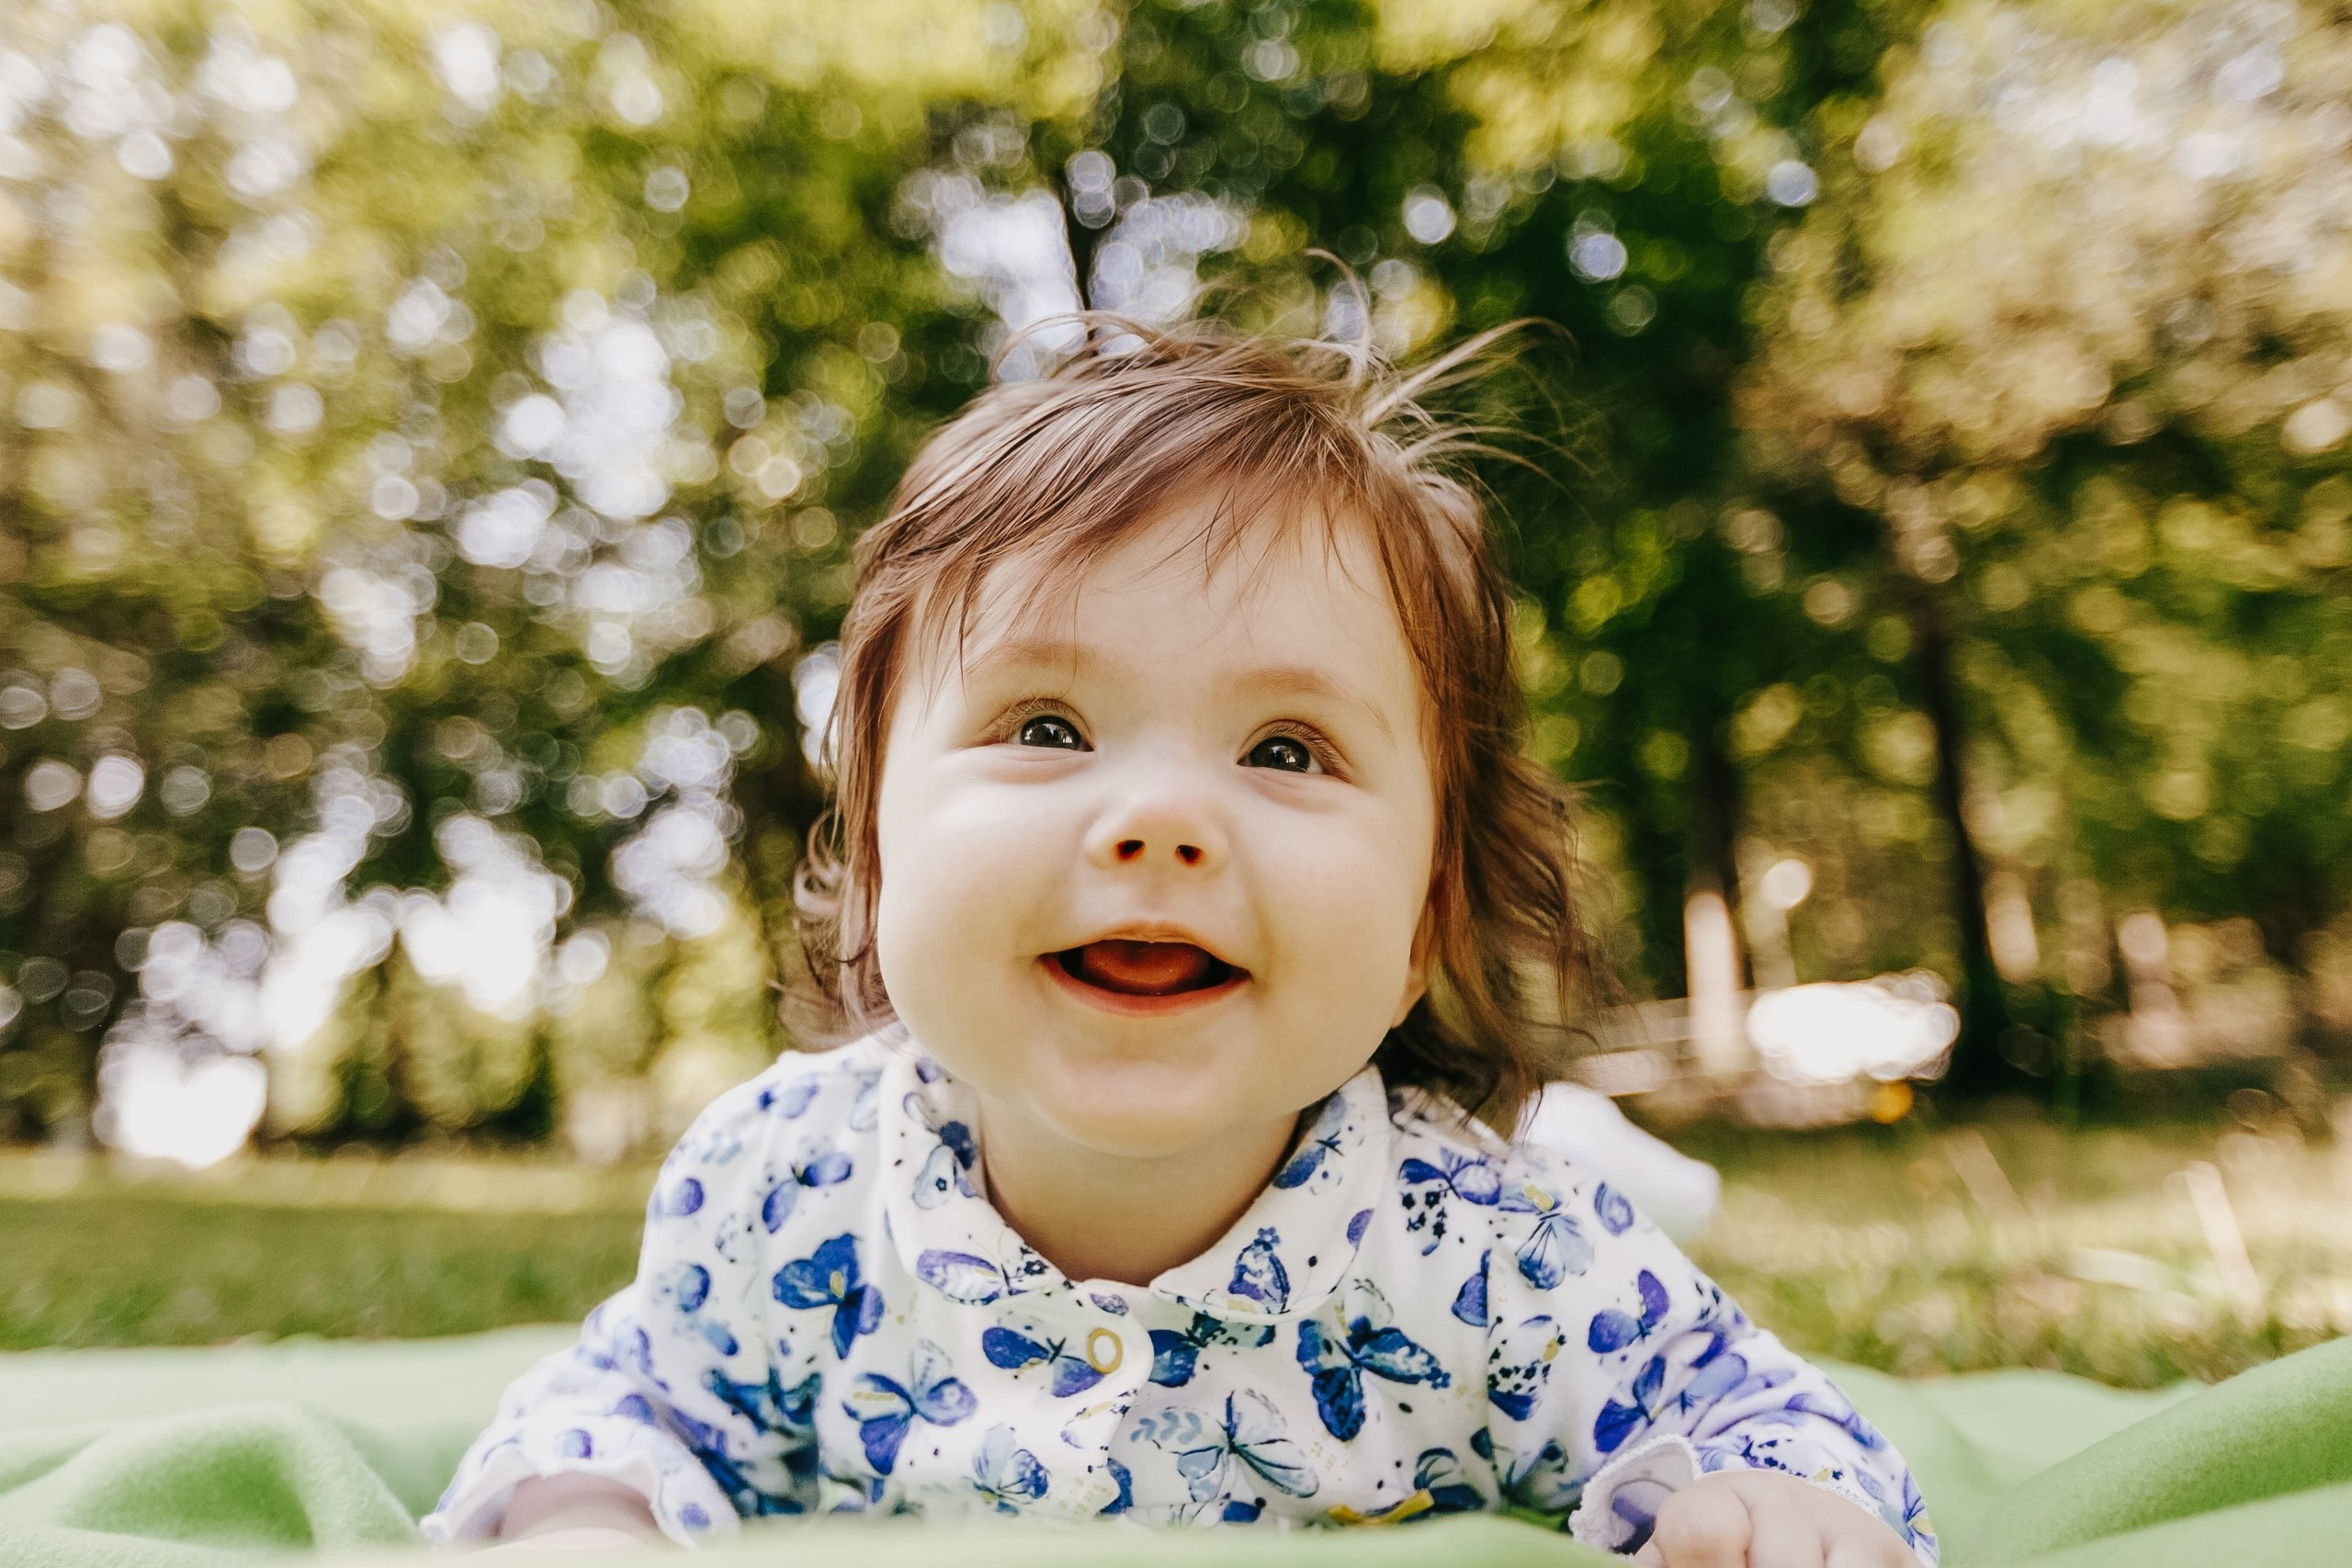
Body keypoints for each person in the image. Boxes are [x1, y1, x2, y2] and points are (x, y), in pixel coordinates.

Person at [424, 320, 1934, 1567]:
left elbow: (1779, 1425)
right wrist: (584, 1515)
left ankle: (1629, 1145)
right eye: (1047, 726)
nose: (1158, 820)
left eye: (1285, 750)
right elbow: (621, 1405)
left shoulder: (1508, 1264)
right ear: (876, 856)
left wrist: (1782, 1509)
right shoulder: (780, 1200)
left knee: (1601, 1174)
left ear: (1424, 921)